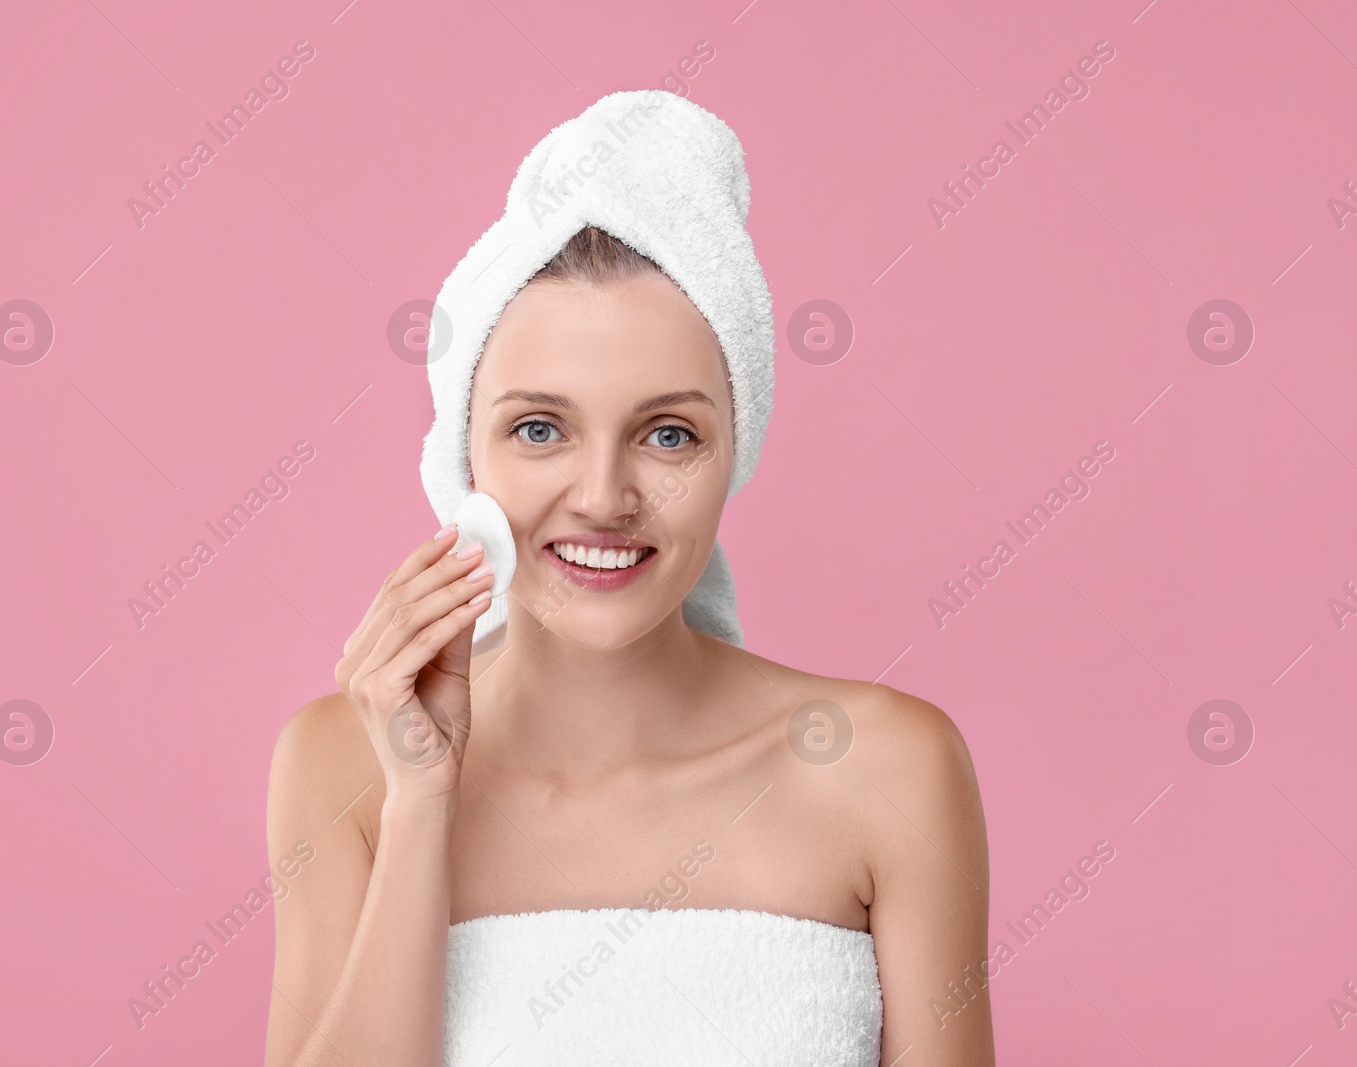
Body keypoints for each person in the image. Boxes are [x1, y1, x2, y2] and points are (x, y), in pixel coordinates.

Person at [264, 92, 992, 1067]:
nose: (604, 496)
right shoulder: (339, 763)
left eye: (666, 434)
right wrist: (420, 800)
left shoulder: (888, 768)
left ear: (736, 450)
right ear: (463, 463)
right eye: (538, 428)